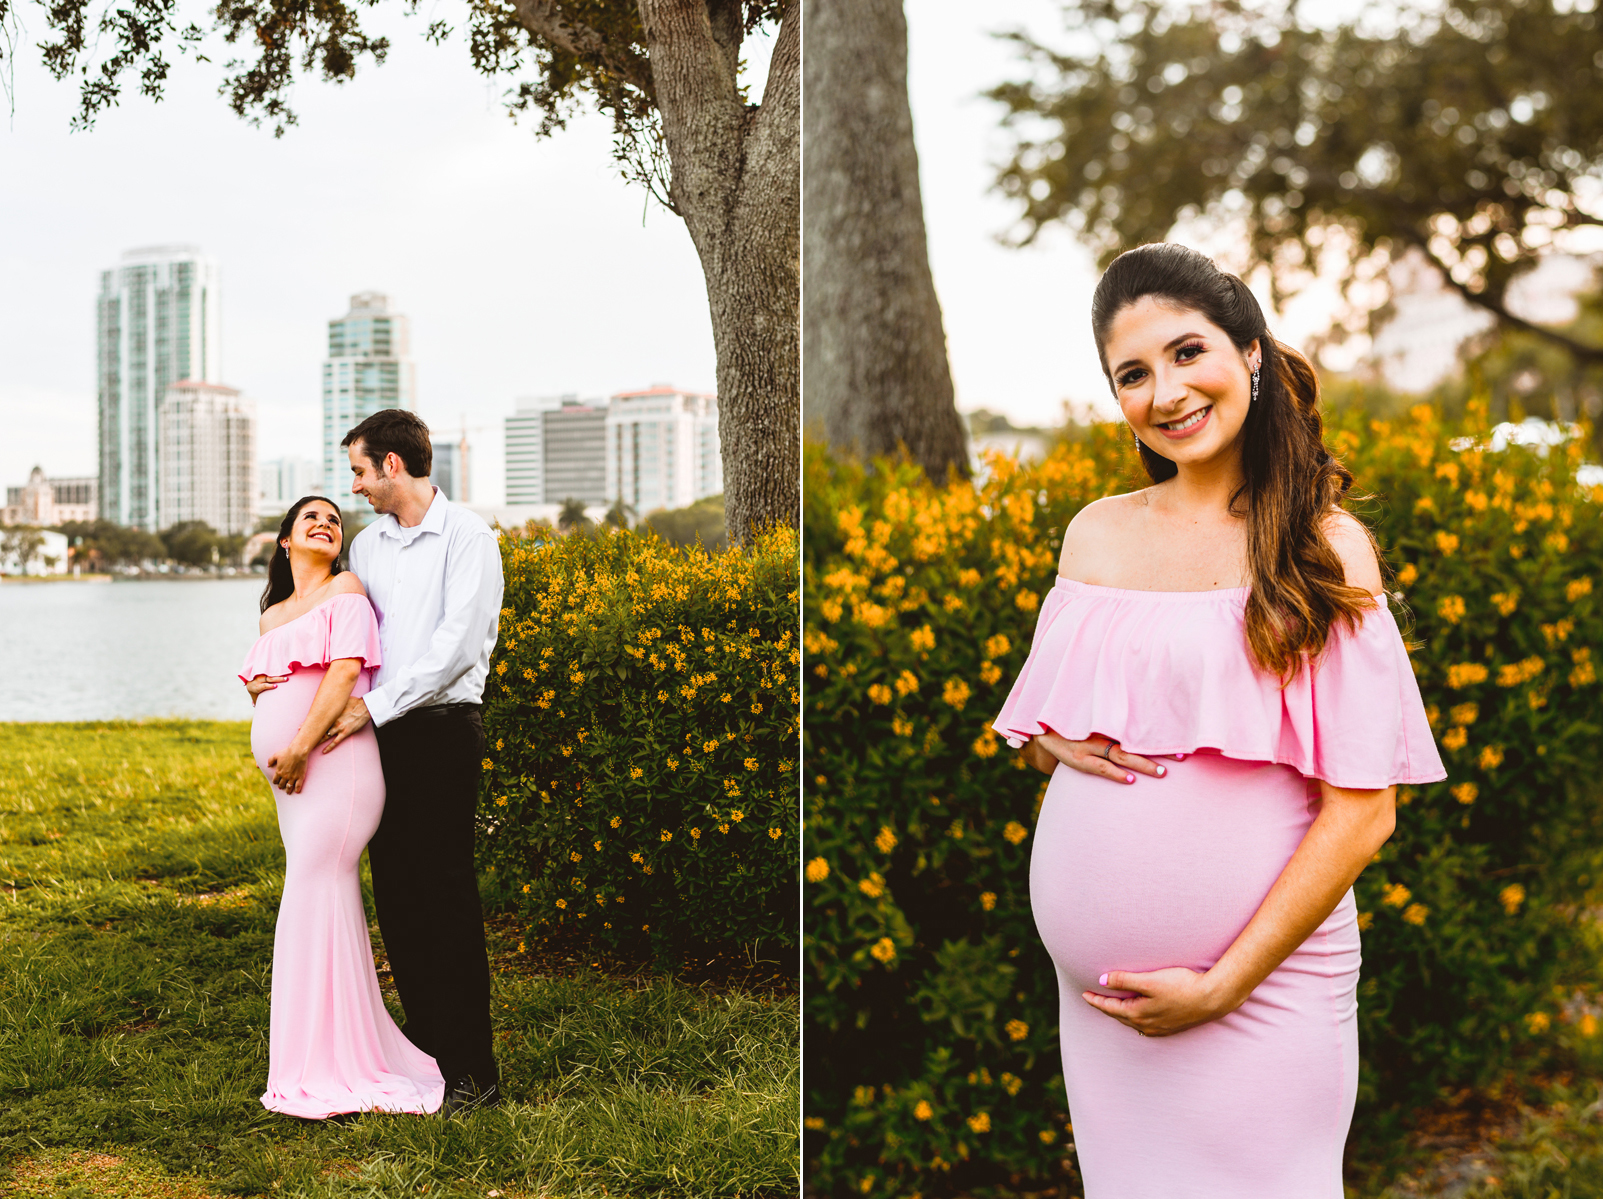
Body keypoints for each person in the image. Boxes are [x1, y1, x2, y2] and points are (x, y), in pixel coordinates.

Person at [991, 242, 1446, 1197]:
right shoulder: (1095, 533)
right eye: (1132, 373)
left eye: (1186, 352)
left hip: (1262, 995)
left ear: (1248, 351)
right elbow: (1055, 734)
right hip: (1109, 1014)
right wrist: (1050, 745)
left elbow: (1363, 811)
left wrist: (1225, 981)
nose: (1165, 391)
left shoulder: (1322, 549)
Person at [317, 408, 505, 1114]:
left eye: (360, 470)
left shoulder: (469, 536)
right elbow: (349, 636)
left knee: (446, 898)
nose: (356, 486)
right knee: (396, 896)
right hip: (378, 737)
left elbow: (455, 647)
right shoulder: (367, 549)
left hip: (441, 732)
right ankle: (424, 1054)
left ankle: (474, 1075)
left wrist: (375, 705)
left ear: (392, 464)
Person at [240, 494, 445, 1119]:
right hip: (295, 782)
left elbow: (344, 671)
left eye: (335, 519)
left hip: (336, 767)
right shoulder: (272, 616)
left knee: (309, 893)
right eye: (312, 518)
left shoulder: (346, 587)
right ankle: (324, 1053)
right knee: (320, 900)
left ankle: (327, 1063)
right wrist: (259, 693)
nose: (327, 524)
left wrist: (298, 746)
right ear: (285, 541)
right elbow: (271, 685)